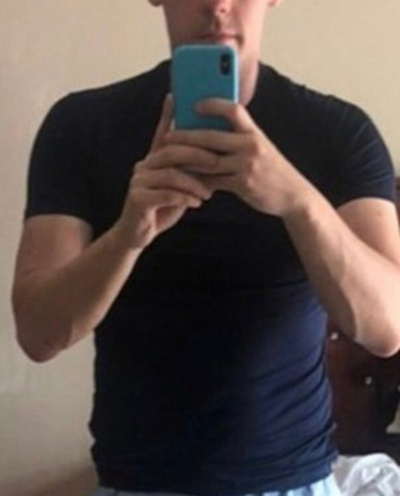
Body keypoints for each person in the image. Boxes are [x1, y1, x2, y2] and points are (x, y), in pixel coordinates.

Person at [11, 1, 400, 495]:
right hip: (138, 483)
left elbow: (388, 327)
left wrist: (298, 202)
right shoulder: (82, 126)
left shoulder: (338, 133)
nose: (218, 5)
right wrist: (128, 235)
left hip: (294, 480)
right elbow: (38, 333)